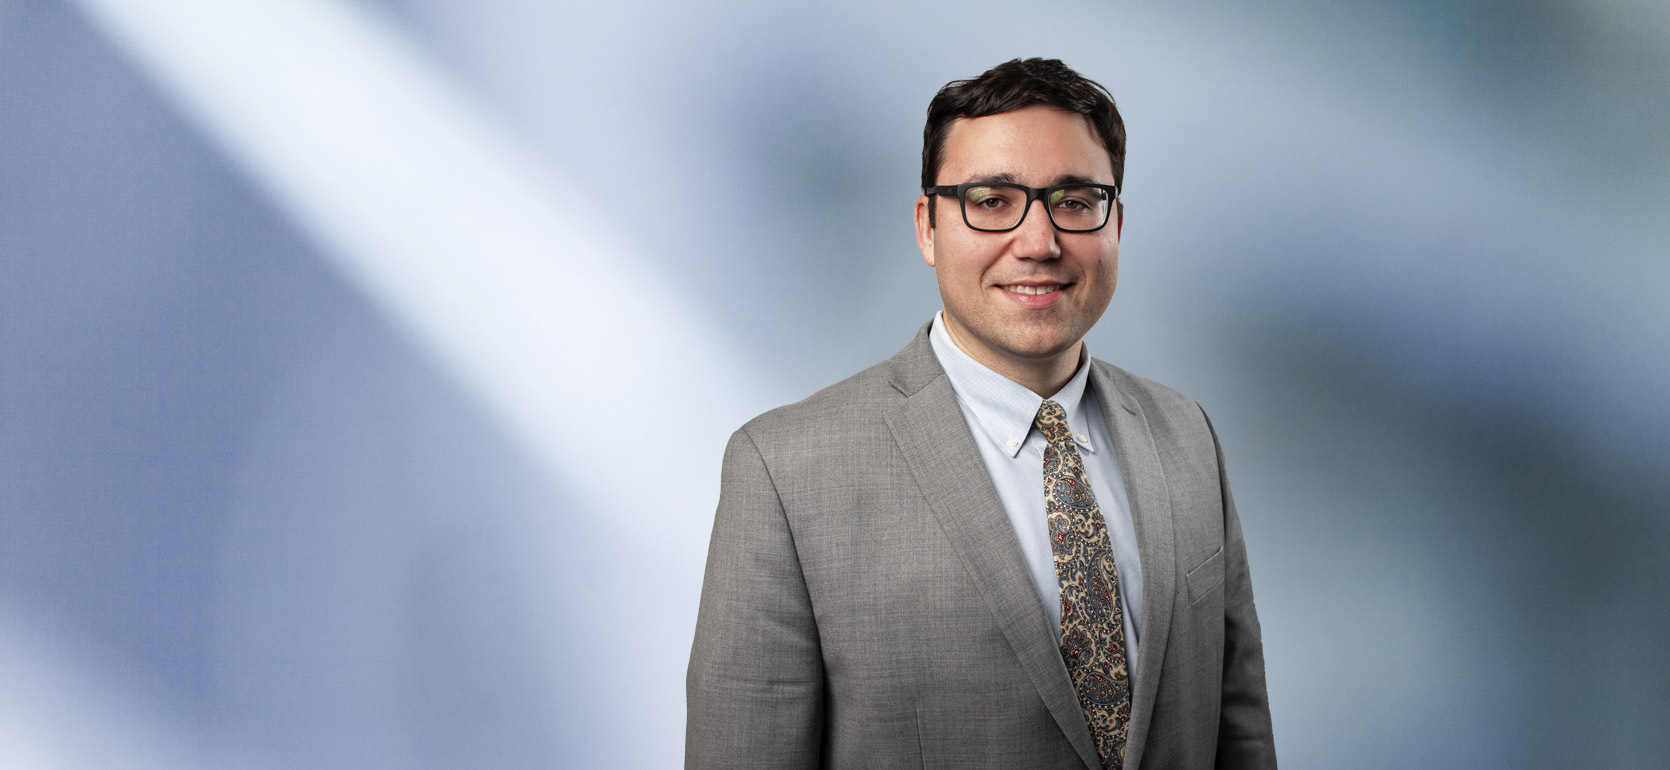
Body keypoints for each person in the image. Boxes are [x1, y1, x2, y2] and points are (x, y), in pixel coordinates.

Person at [687, 58, 1275, 769]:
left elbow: (1240, 736)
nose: (1038, 242)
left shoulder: (1186, 435)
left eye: (1074, 200)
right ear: (927, 226)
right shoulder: (785, 471)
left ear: (1115, 222)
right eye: (991, 201)